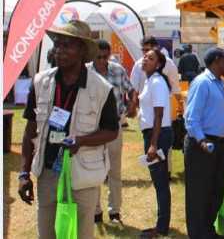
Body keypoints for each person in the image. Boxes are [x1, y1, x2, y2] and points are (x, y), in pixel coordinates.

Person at [18, 20, 119, 239]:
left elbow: (111, 131)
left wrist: (81, 141)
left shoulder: (101, 89)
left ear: (82, 50)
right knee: (47, 234)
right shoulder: (40, 82)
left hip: (82, 176)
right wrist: (24, 173)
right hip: (47, 174)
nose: (59, 51)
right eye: (58, 45)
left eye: (67, 45)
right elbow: (30, 130)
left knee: (80, 234)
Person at [183, 47, 224, 239]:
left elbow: (222, 115)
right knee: (199, 193)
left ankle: (207, 231)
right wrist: (202, 140)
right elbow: (191, 118)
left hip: (219, 145)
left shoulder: (219, 84)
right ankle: (198, 234)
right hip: (202, 146)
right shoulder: (202, 83)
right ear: (215, 61)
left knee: (216, 192)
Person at [87, 39, 135, 225]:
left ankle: (114, 211)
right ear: (93, 56)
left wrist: (132, 103)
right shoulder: (86, 71)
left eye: (105, 57)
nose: (101, 61)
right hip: (92, 129)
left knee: (114, 171)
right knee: (93, 170)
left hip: (114, 128)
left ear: (109, 55)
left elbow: (131, 90)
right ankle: (96, 211)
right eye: (98, 57)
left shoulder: (118, 70)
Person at [131, 36, 183, 177]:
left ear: (156, 48)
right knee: (153, 160)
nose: (145, 55)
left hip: (162, 111)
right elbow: (134, 88)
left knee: (163, 153)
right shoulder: (138, 64)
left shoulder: (169, 65)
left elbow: (175, 87)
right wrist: (133, 107)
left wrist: (180, 104)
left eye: (149, 51)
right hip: (146, 114)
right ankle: (160, 174)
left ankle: (166, 172)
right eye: (144, 51)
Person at [136, 48, 173, 238]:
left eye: (150, 58)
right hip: (153, 133)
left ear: (158, 64)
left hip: (157, 134)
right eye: (145, 57)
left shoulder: (157, 82)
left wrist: (153, 144)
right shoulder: (150, 81)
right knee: (159, 182)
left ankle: (161, 227)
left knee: (160, 183)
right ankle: (162, 224)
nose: (145, 59)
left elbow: (159, 114)